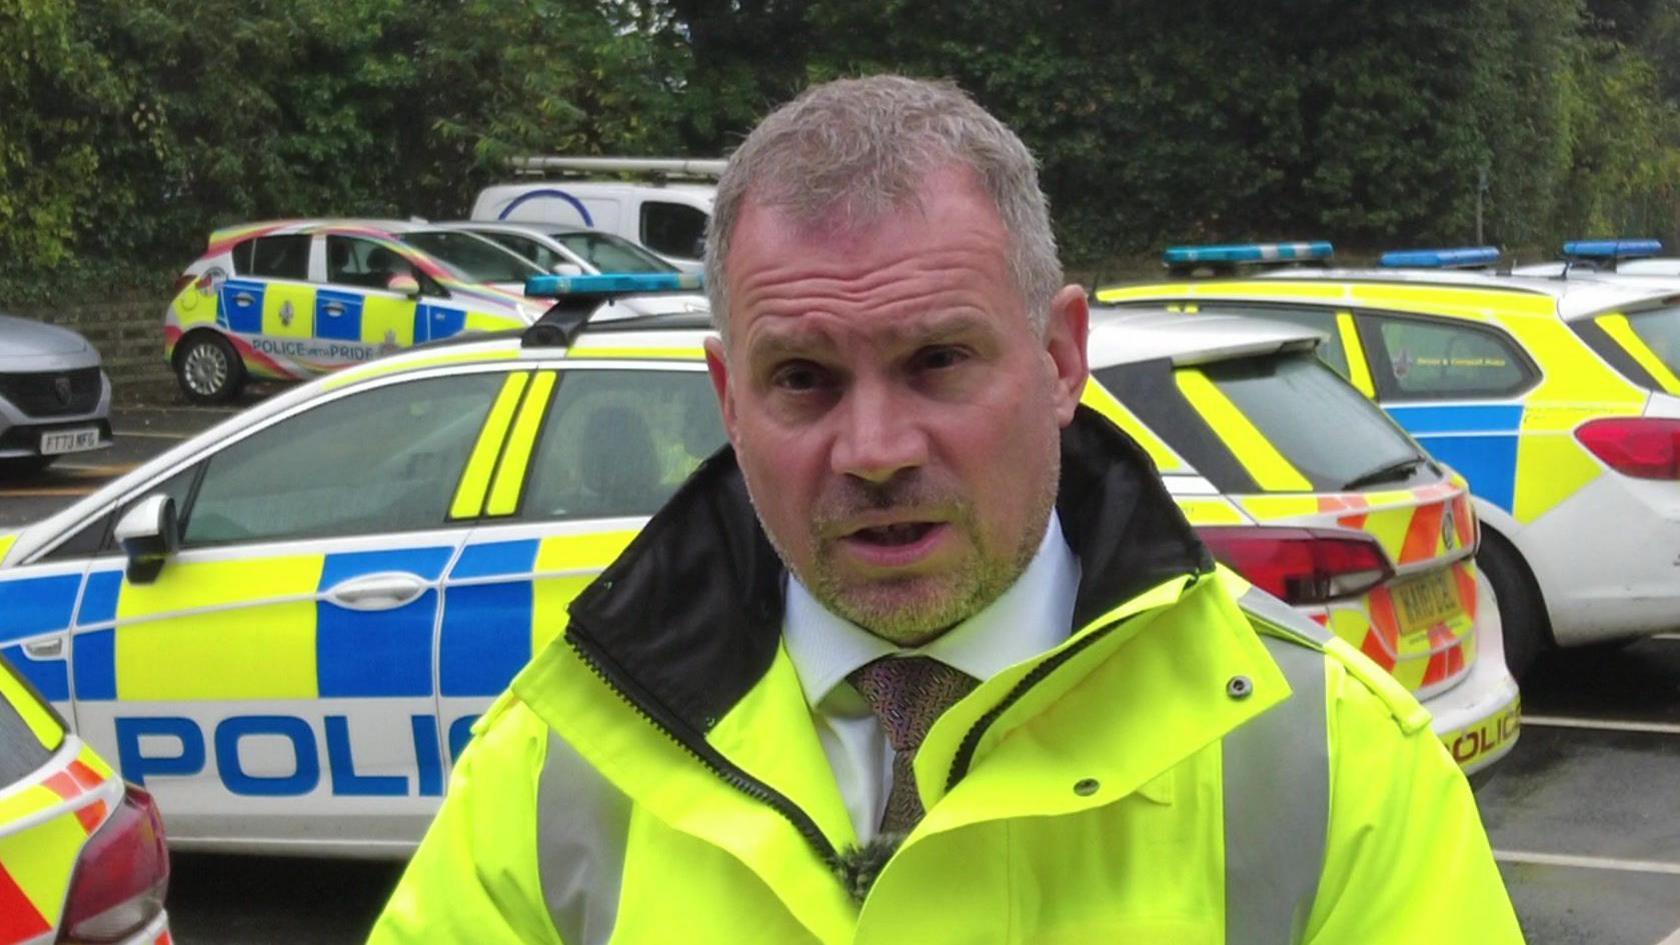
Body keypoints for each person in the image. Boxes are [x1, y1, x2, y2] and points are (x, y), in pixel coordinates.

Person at [368, 75, 1523, 944]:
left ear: (1063, 356)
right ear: (728, 398)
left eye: (937, 361)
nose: (872, 452)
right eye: (803, 380)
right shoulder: (563, 757)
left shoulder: (1326, 761)